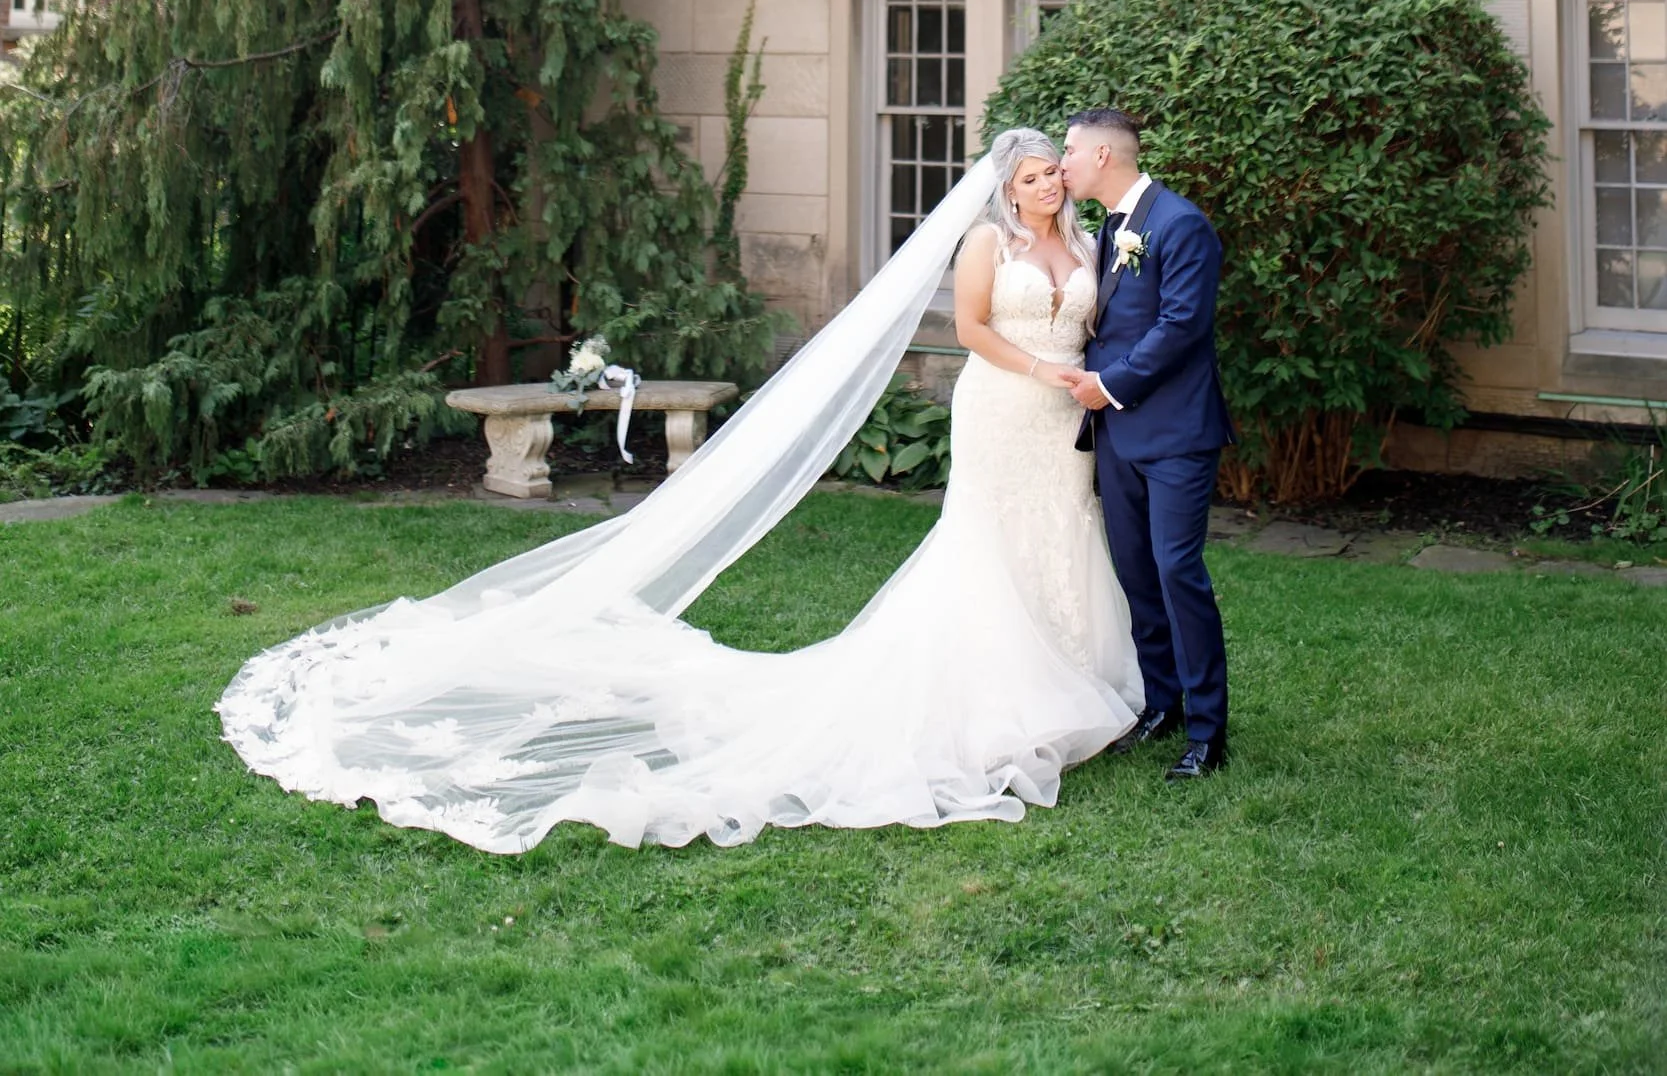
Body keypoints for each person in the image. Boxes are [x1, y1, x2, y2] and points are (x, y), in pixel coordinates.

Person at [218, 130, 1143, 852]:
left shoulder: (1090, 241)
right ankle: (997, 693)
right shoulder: (988, 243)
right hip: (1004, 404)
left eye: (1052, 177)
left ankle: (1075, 669)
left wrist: (1081, 377)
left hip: (1065, 419)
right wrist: (1043, 370)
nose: (1046, 187)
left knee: (1062, 530)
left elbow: (1100, 320)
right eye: (1030, 178)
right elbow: (973, 330)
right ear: (1004, 187)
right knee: (985, 541)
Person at [1058, 107, 1236, 781]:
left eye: (1071, 151)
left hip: (1175, 435)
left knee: (1176, 572)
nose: (1064, 163)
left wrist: (1109, 384)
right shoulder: (1110, 228)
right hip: (1117, 434)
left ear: (1104, 156)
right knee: (1135, 573)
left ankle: (1207, 731)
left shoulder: (1180, 224)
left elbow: (1181, 324)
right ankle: (1161, 703)